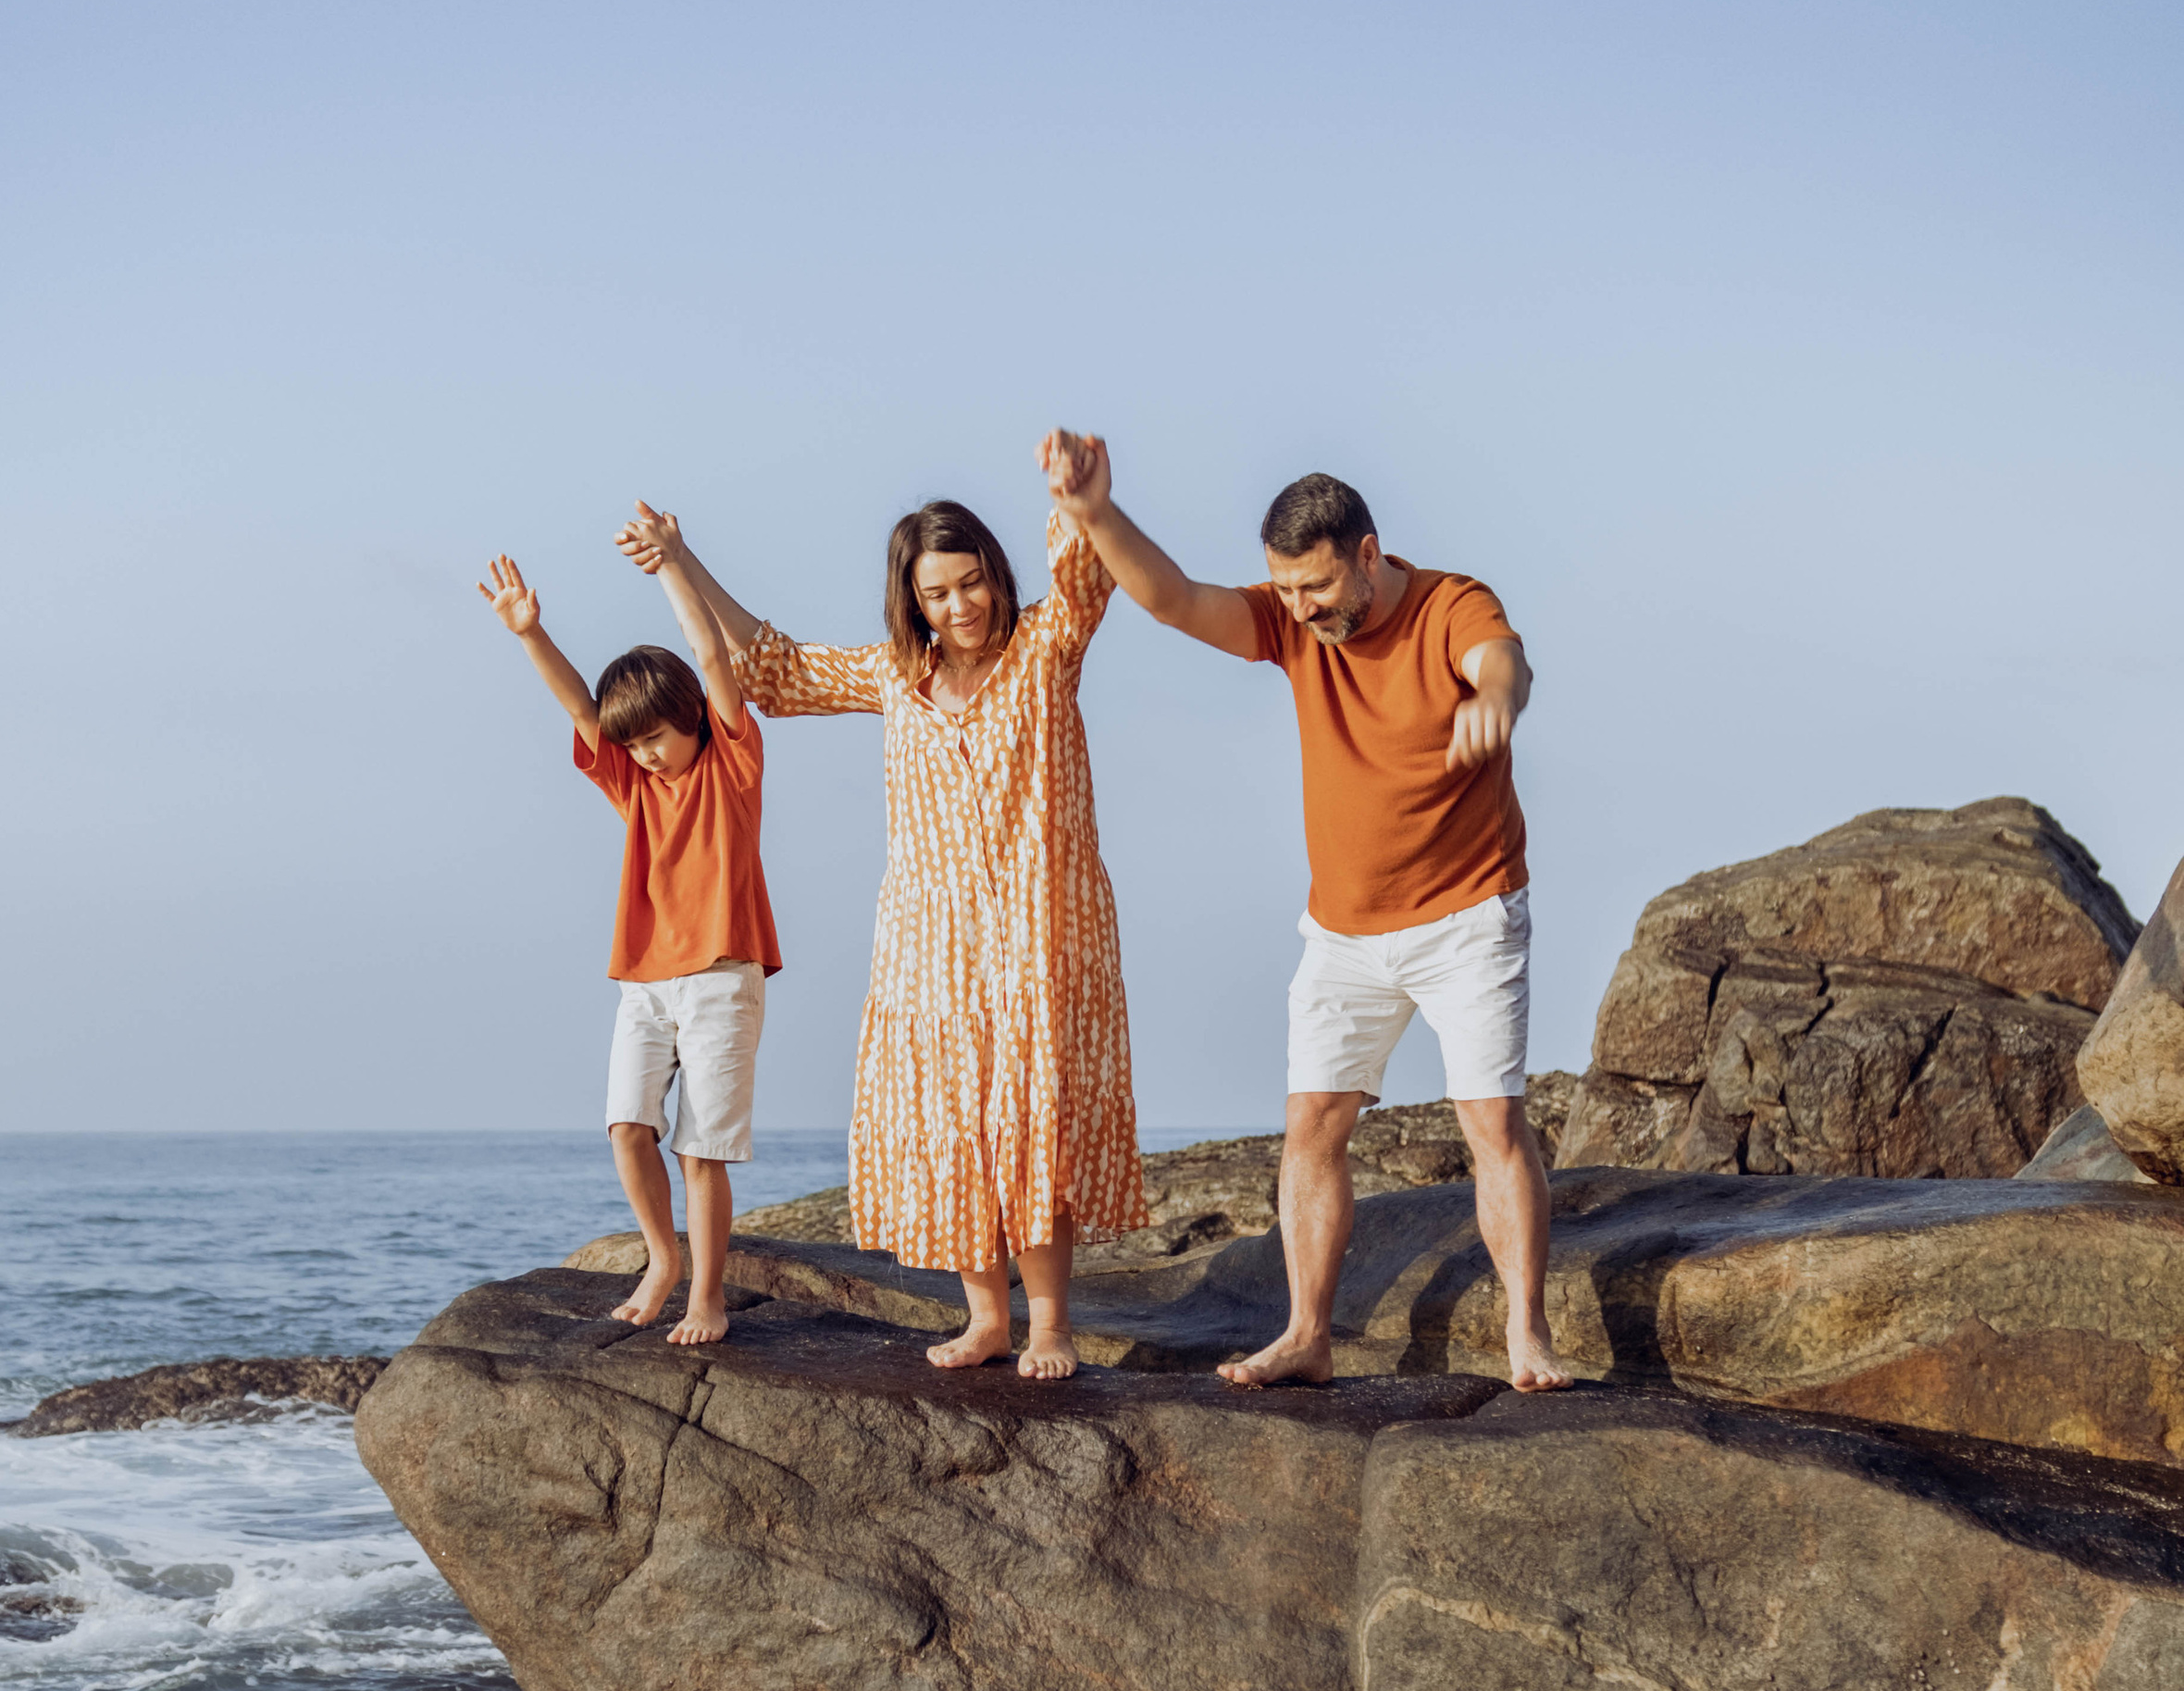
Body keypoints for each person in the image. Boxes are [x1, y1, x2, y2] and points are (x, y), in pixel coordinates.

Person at [1040, 439, 1570, 1394]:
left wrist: (1493, 700)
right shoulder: (1288, 625)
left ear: (1368, 555)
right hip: (1342, 930)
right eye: (1285, 590)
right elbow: (1169, 597)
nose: (1300, 609)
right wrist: (1093, 511)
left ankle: (1527, 1337)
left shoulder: (1451, 602)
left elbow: (1501, 661)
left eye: (1317, 587)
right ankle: (1307, 1335)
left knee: (1491, 1120)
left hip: (1468, 915)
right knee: (1311, 1128)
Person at [614, 448, 1146, 1381]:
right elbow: (775, 670)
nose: (960, 606)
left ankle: (1050, 1322)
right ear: (912, 601)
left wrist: (1079, 500)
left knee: (1032, 1118)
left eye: (972, 582)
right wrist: (680, 561)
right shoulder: (895, 678)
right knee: (955, 1125)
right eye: (937, 593)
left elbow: (1084, 576)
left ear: (996, 576)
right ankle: (986, 1319)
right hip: (930, 946)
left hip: (1040, 933)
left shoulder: (1044, 648)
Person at [478, 553, 779, 1348]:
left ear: (691, 718)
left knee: (701, 1150)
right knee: (625, 1126)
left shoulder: (732, 764)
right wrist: (531, 632)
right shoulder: (633, 787)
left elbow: (711, 656)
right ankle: (661, 1260)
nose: (646, 754)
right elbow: (581, 707)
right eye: (633, 744)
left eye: (655, 737)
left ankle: (707, 1295)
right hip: (645, 982)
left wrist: (672, 565)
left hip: (721, 977)